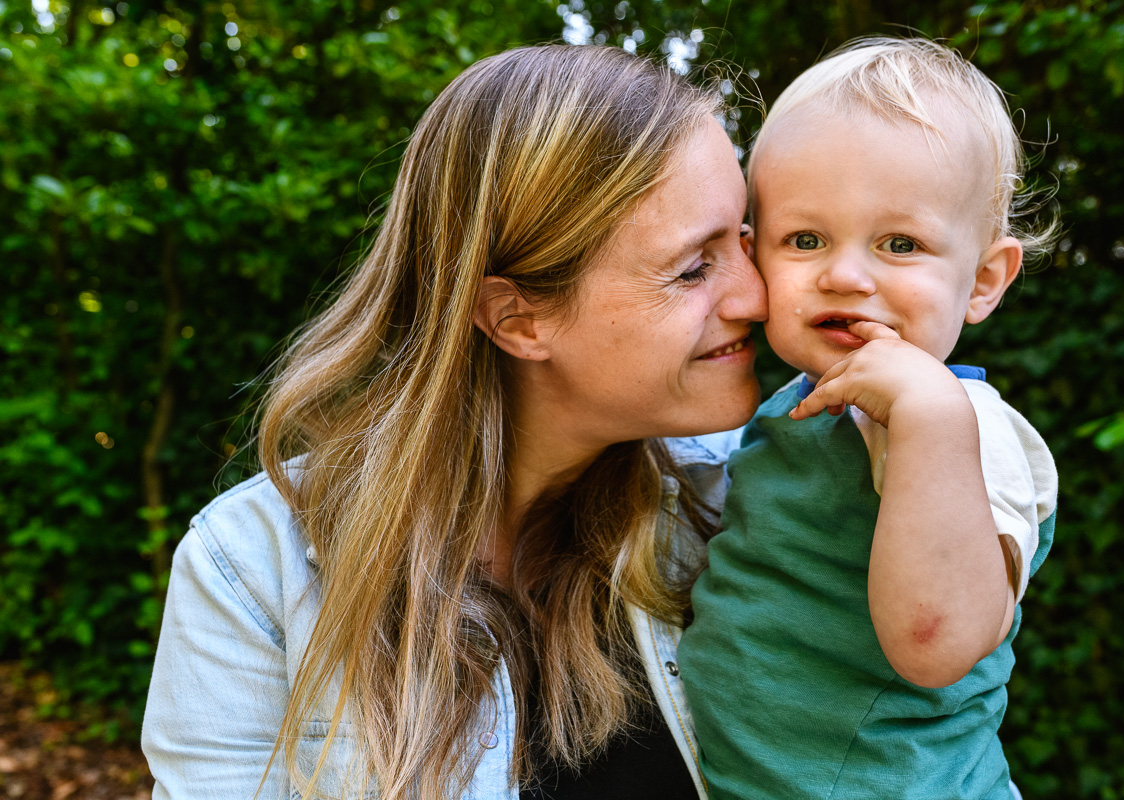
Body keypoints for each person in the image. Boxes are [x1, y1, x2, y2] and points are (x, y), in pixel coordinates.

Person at [141, 44, 769, 800]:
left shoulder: (752, 501)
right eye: (693, 269)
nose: (756, 296)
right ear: (517, 318)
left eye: (744, 238)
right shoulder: (251, 574)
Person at [677, 37, 1059, 800]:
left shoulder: (968, 428)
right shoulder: (784, 406)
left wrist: (928, 420)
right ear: (756, 256)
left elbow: (937, 644)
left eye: (900, 243)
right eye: (806, 239)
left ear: (984, 281)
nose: (845, 276)